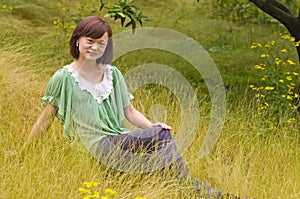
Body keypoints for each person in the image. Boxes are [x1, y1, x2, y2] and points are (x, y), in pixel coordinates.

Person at [24, 16, 243, 199]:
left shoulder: (112, 74)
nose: (95, 47)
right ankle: (195, 191)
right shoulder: (64, 77)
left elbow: (129, 111)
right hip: (94, 147)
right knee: (160, 138)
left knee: (162, 138)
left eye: (102, 43)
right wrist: (24, 153)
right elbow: (45, 118)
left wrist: (152, 126)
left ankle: (193, 191)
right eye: (90, 41)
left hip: (117, 140)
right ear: (77, 41)